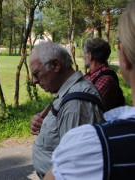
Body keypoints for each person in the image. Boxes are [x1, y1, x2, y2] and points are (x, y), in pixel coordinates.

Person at [43, 2, 135, 180]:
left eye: (85, 54)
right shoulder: (91, 76)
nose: (84, 57)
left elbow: (84, 109)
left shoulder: (90, 147)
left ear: (124, 57)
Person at [29, 41, 104, 179]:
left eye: (36, 73)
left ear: (55, 65)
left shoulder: (76, 103)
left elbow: (73, 168)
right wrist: (46, 124)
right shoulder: (69, 94)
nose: (34, 81)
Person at [84, 37, 125, 110]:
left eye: (85, 54)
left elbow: (88, 108)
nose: (84, 58)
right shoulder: (91, 74)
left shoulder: (106, 79)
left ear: (90, 56)